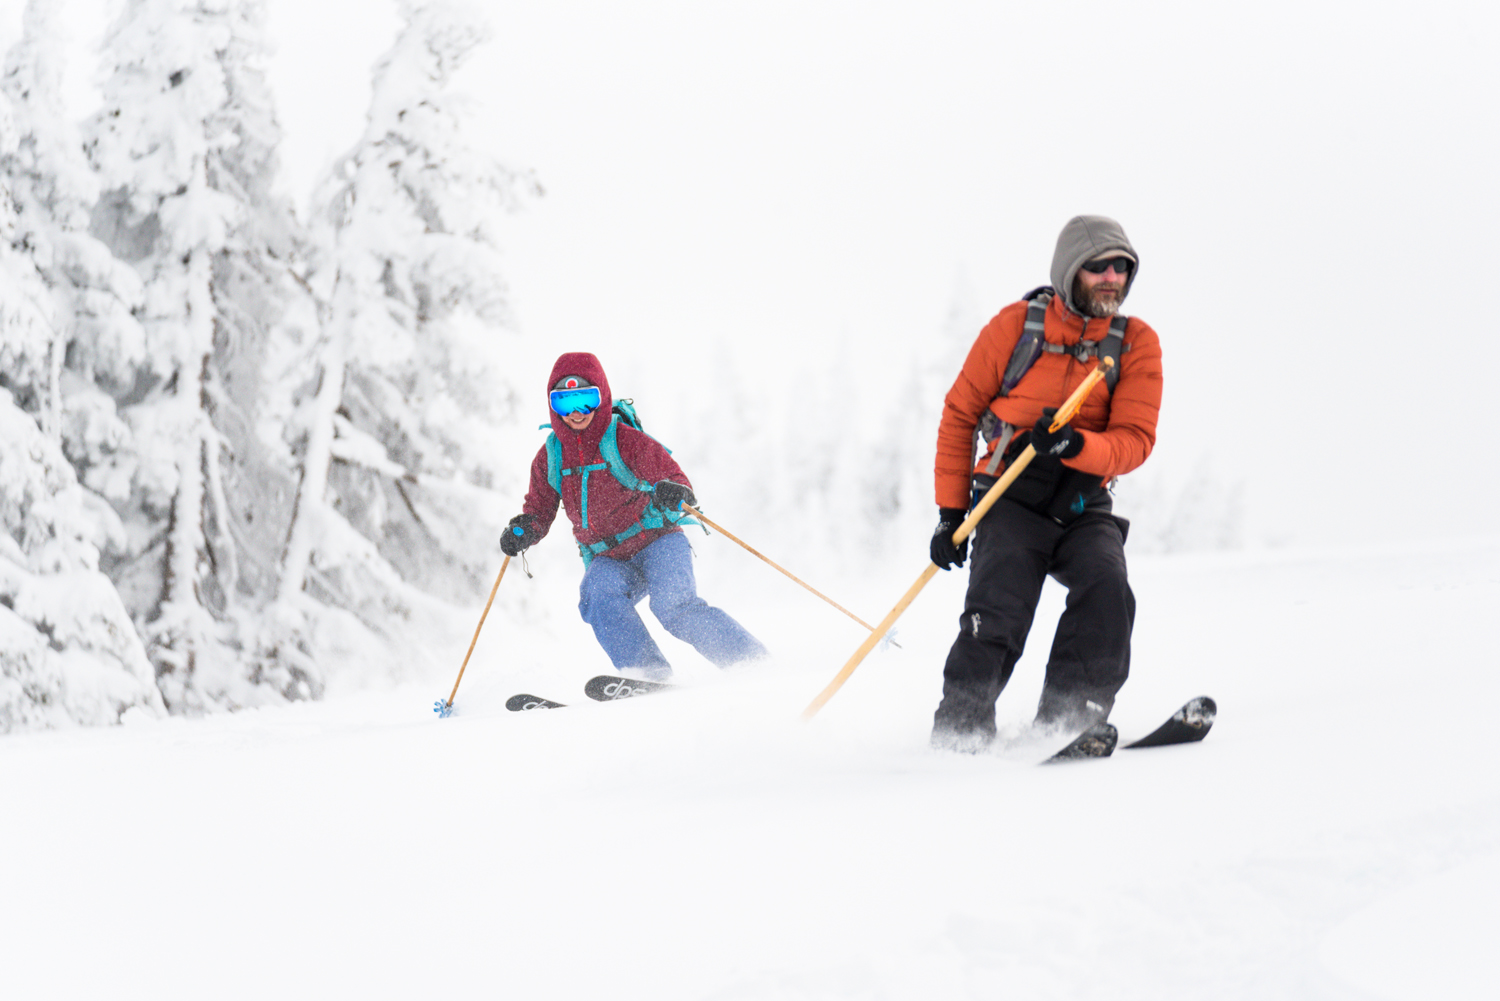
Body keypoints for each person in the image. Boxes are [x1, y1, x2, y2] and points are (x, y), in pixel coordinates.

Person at [928, 215, 1163, 751]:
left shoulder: (1134, 343)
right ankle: (959, 731)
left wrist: (1079, 446)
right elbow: (959, 414)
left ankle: (1068, 718)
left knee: (1108, 590)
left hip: (1082, 500)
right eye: (1098, 266)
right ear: (1069, 271)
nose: (1111, 277)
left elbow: (1134, 438)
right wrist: (949, 513)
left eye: (1121, 267)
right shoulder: (1014, 328)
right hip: (1009, 494)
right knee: (997, 612)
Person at [501, 351, 767, 679]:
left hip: (658, 542)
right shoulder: (551, 455)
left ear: (602, 397)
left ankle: (751, 663)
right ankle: (648, 675)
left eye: (585, 400)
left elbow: (673, 477)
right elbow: (539, 510)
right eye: (564, 403)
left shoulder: (623, 440)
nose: (576, 413)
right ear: (553, 406)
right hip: (609, 558)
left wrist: (675, 491)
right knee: (598, 596)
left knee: (674, 606)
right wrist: (525, 528)